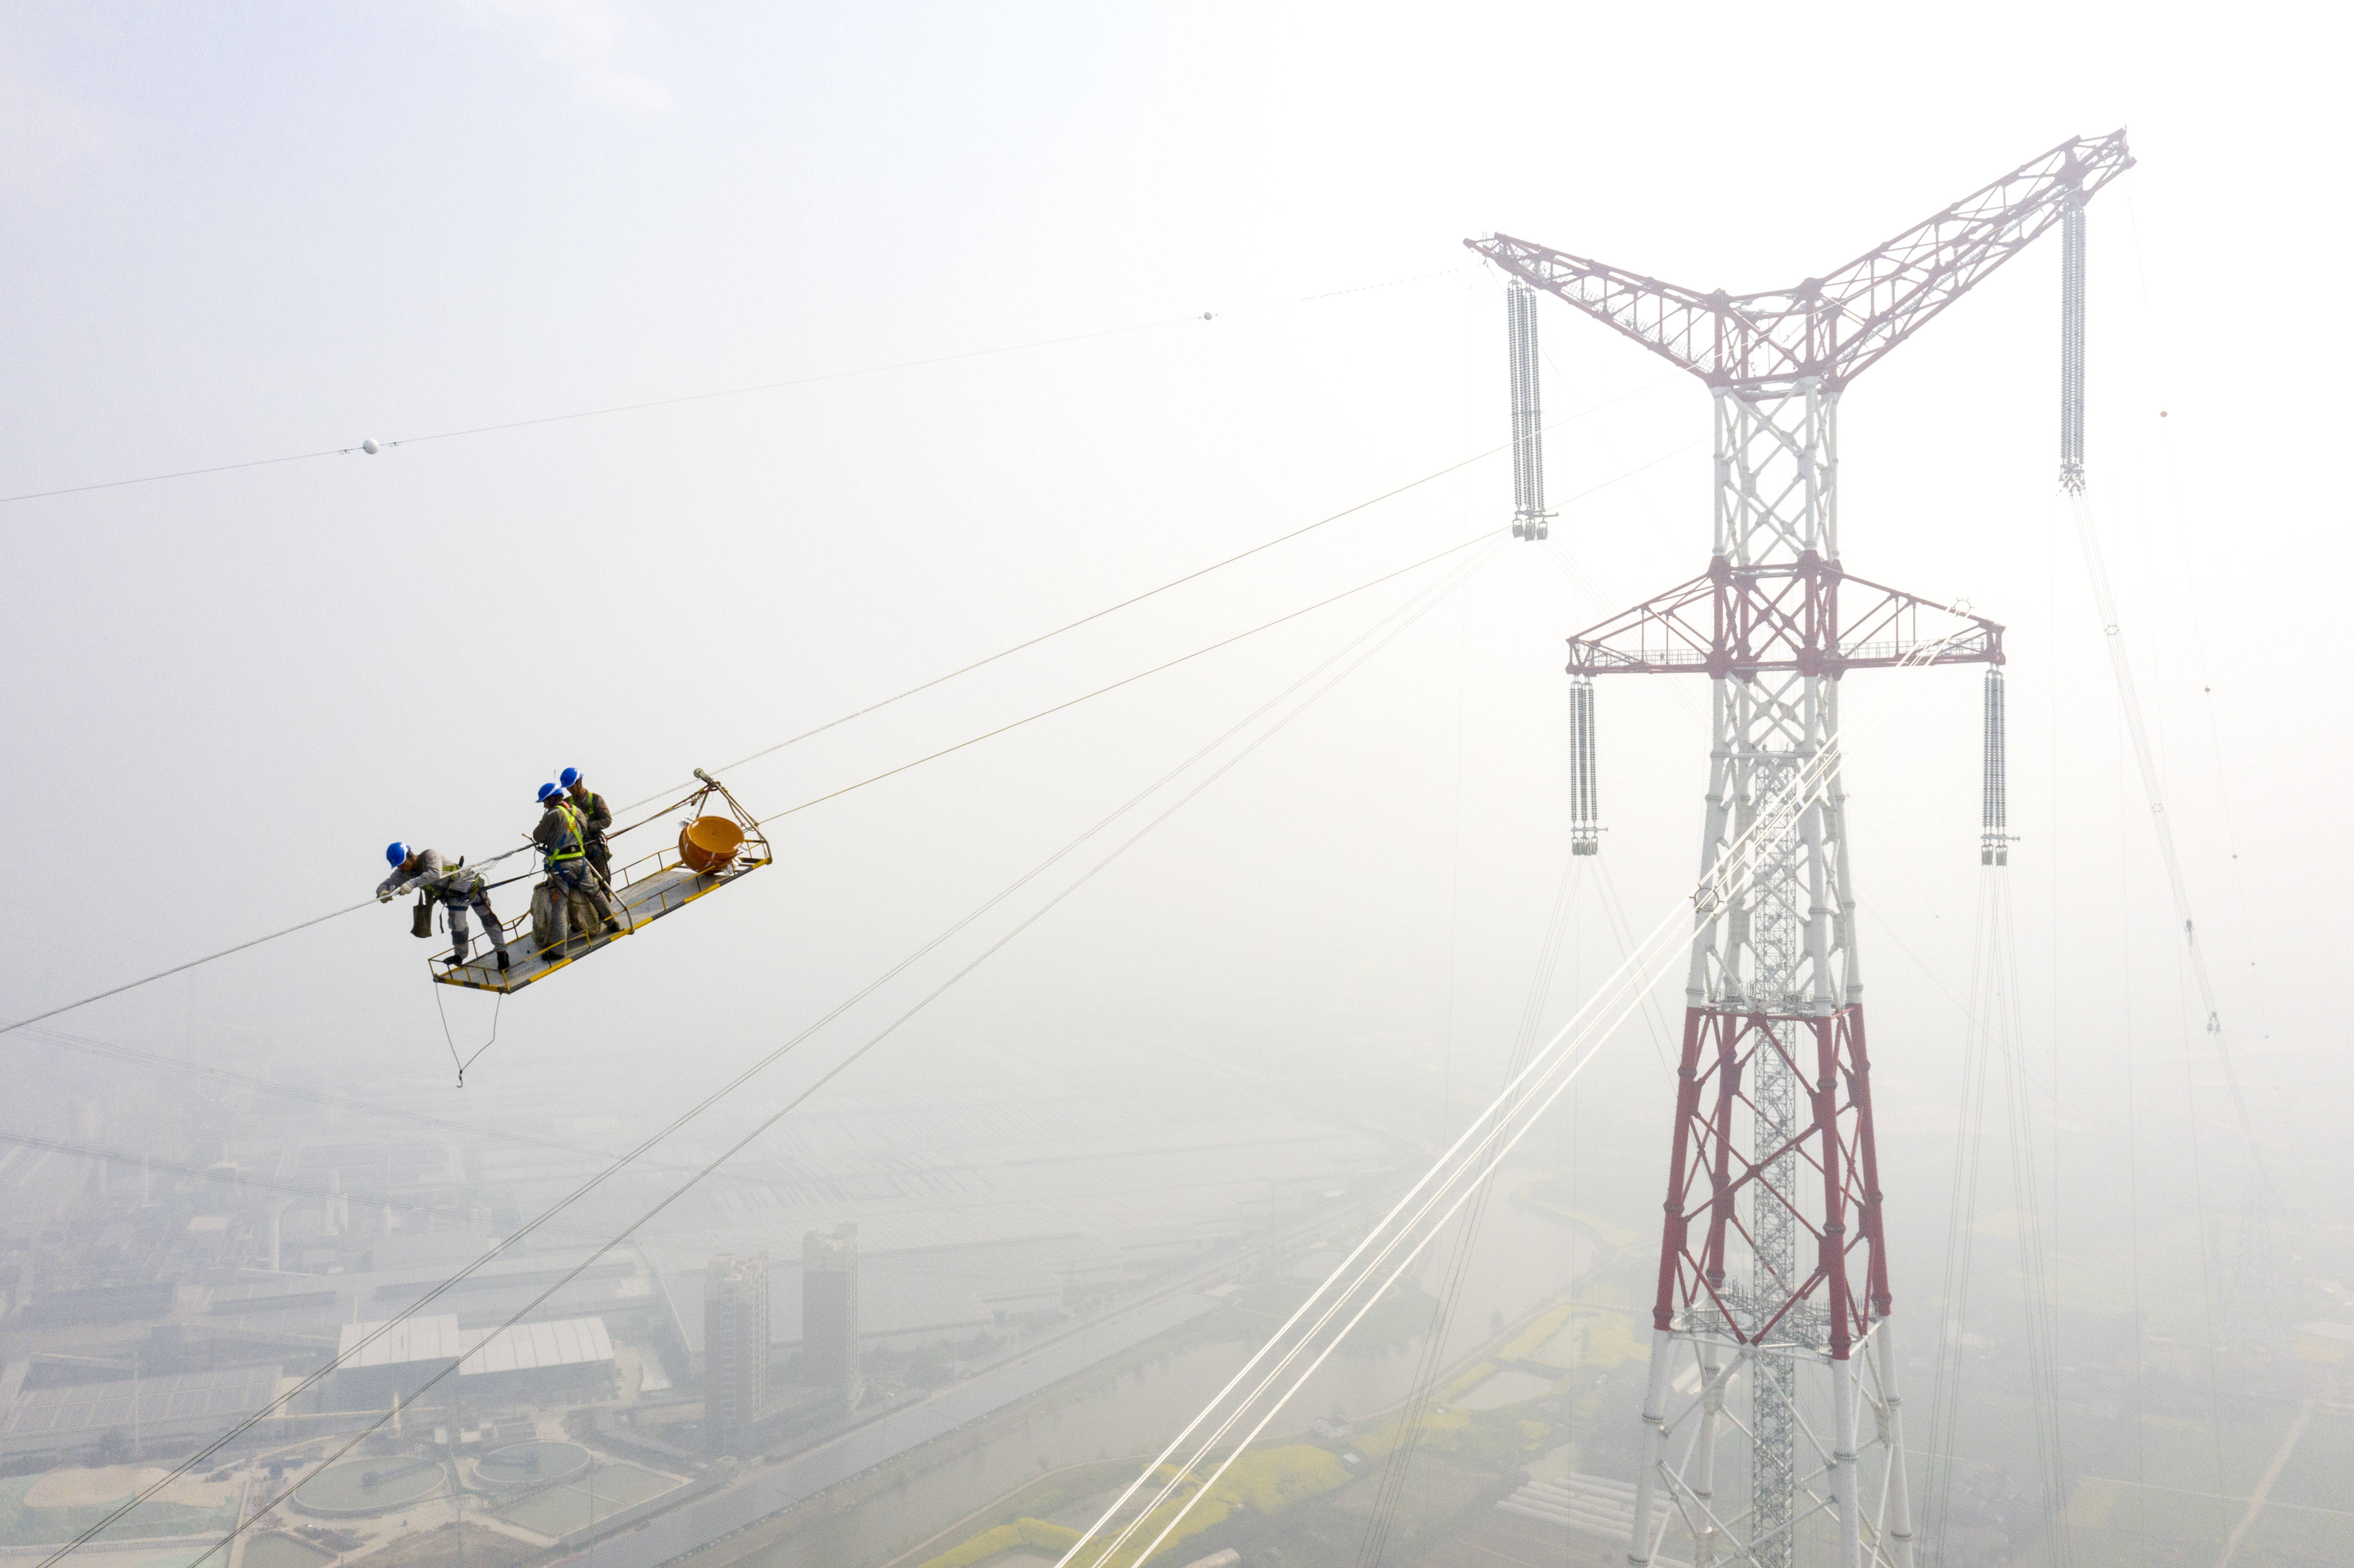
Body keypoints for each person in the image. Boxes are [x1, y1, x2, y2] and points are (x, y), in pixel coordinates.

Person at [377, 842, 511, 971]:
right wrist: (383, 893)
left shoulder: (430, 855)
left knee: (488, 920)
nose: (402, 868)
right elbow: (387, 884)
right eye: (399, 866)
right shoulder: (403, 874)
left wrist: (412, 884)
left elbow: (435, 874)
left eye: (402, 863)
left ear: (410, 856)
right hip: (455, 898)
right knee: (458, 928)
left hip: (472, 887)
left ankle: (502, 951)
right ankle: (460, 956)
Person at [533, 782, 620, 952]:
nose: (544, 805)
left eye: (545, 801)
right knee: (595, 893)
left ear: (551, 800)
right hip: (581, 863)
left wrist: (548, 826)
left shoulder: (552, 815)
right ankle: (613, 923)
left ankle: (559, 951)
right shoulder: (577, 811)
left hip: (561, 867)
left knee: (559, 907)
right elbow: (585, 828)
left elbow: (538, 836)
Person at [559, 767, 614, 888]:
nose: (569, 790)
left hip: (594, 847)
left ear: (580, 782)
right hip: (576, 849)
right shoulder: (567, 804)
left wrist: (586, 826)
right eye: (567, 787)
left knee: (603, 880)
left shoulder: (595, 800)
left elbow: (607, 820)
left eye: (571, 786)